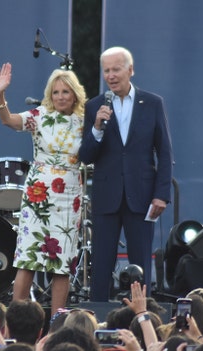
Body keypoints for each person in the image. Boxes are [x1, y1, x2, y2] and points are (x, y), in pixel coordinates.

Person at [78, 46, 173, 300]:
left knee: (141, 263)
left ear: (130, 70)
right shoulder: (95, 106)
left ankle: (142, 318)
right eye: (106, 70)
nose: (111, 75)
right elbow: (85, 156)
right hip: (106, 197)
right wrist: (97, 128)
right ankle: (97, 319)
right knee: (101, 265)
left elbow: (164, 152)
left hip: (141, 197)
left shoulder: (152, 103)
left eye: (116, 69)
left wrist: (161, 194)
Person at [0, 63, 87, 313]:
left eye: (65, 92)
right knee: (28, 258)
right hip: (39, 194)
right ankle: (17, 320)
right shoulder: (39, 116)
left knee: (62, 263)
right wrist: (0, 94)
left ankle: (56, 326)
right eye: (55, 92)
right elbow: (9, 121)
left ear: (75, 94)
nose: (60, 97)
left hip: (69, 196)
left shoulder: (84, 122)